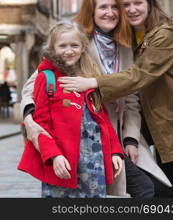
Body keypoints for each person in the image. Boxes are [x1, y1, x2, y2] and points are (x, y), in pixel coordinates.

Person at [20, 0, 171, 198]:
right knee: (139, 189)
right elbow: (34, 85)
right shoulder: (76, 45)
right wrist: (28, 119)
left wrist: (130, 140)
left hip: (114, 136)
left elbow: (130, 101)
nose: (110, 13)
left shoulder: (125, 47)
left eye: (114, 7)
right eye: (103, 7)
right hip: (86, 136)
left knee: (157, 188)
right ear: (91, 11)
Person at [60, 0, 173, 198]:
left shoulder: (161, 37)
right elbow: (41, 77)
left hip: (167, 123)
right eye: (125, 4)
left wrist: (94, 82)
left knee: (164, 189)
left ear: (150, 3)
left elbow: (137, 79)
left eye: (137, 3)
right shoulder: (82, 42)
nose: (130, 9)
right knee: (153, 190)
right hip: (96, 133)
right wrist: (30, 115)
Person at [18, 20, 124, 198]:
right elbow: (41, 124)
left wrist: (115, 151)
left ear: (83, 47)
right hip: (63, 161)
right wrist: (54, 156)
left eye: (74, 45)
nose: (69, 50)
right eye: (63, 46)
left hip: (94, 163)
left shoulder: (88, 77)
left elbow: (102, 118)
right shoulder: (46, 78)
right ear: (52, 49)